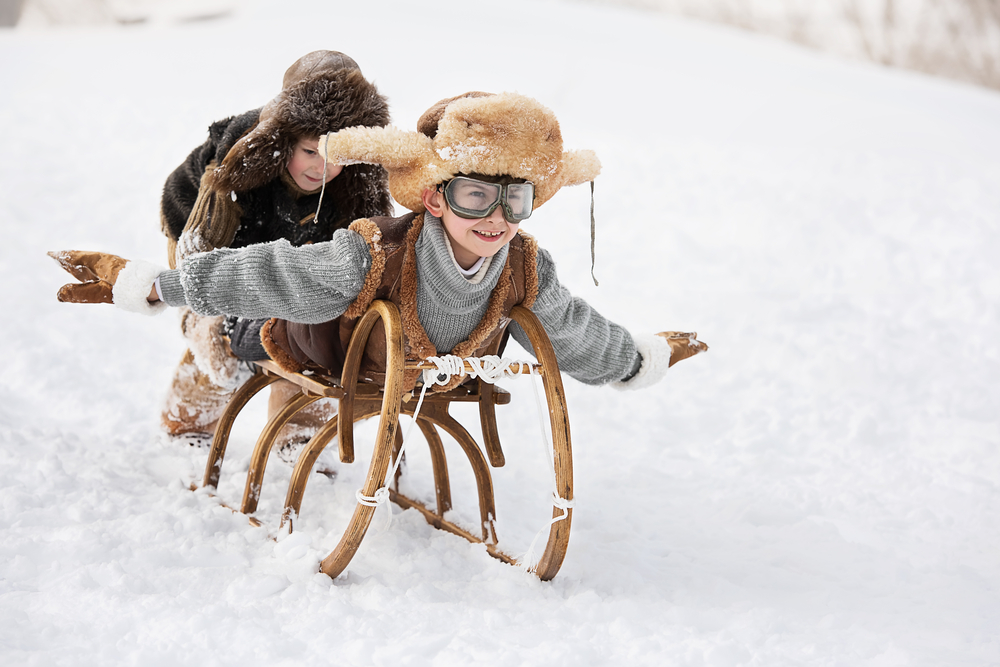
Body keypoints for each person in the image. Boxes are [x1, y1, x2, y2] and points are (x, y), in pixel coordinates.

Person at [51, 92, 707, 428]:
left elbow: (573, 329)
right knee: (247, 336)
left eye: (515, 199)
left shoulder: (524, 267)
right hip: (321, 340)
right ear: (435, 197)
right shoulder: (374, 252)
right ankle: (211, 339)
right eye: (476, 195)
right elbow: (276, 273)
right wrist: (160, 284)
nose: (496, 218)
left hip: (418, 371)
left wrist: (638, 358)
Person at [155, 50, 392, 455]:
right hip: (213, 244)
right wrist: (221, 302)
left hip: (294, 264)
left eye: (337, 155)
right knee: (217, 327)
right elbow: (199, 261)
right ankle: (188, 420)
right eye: (310, 151)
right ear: (286, 141)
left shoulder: (355, 181)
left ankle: (298, 431)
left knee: (315, 329)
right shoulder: (237, 163)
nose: (323, 168)